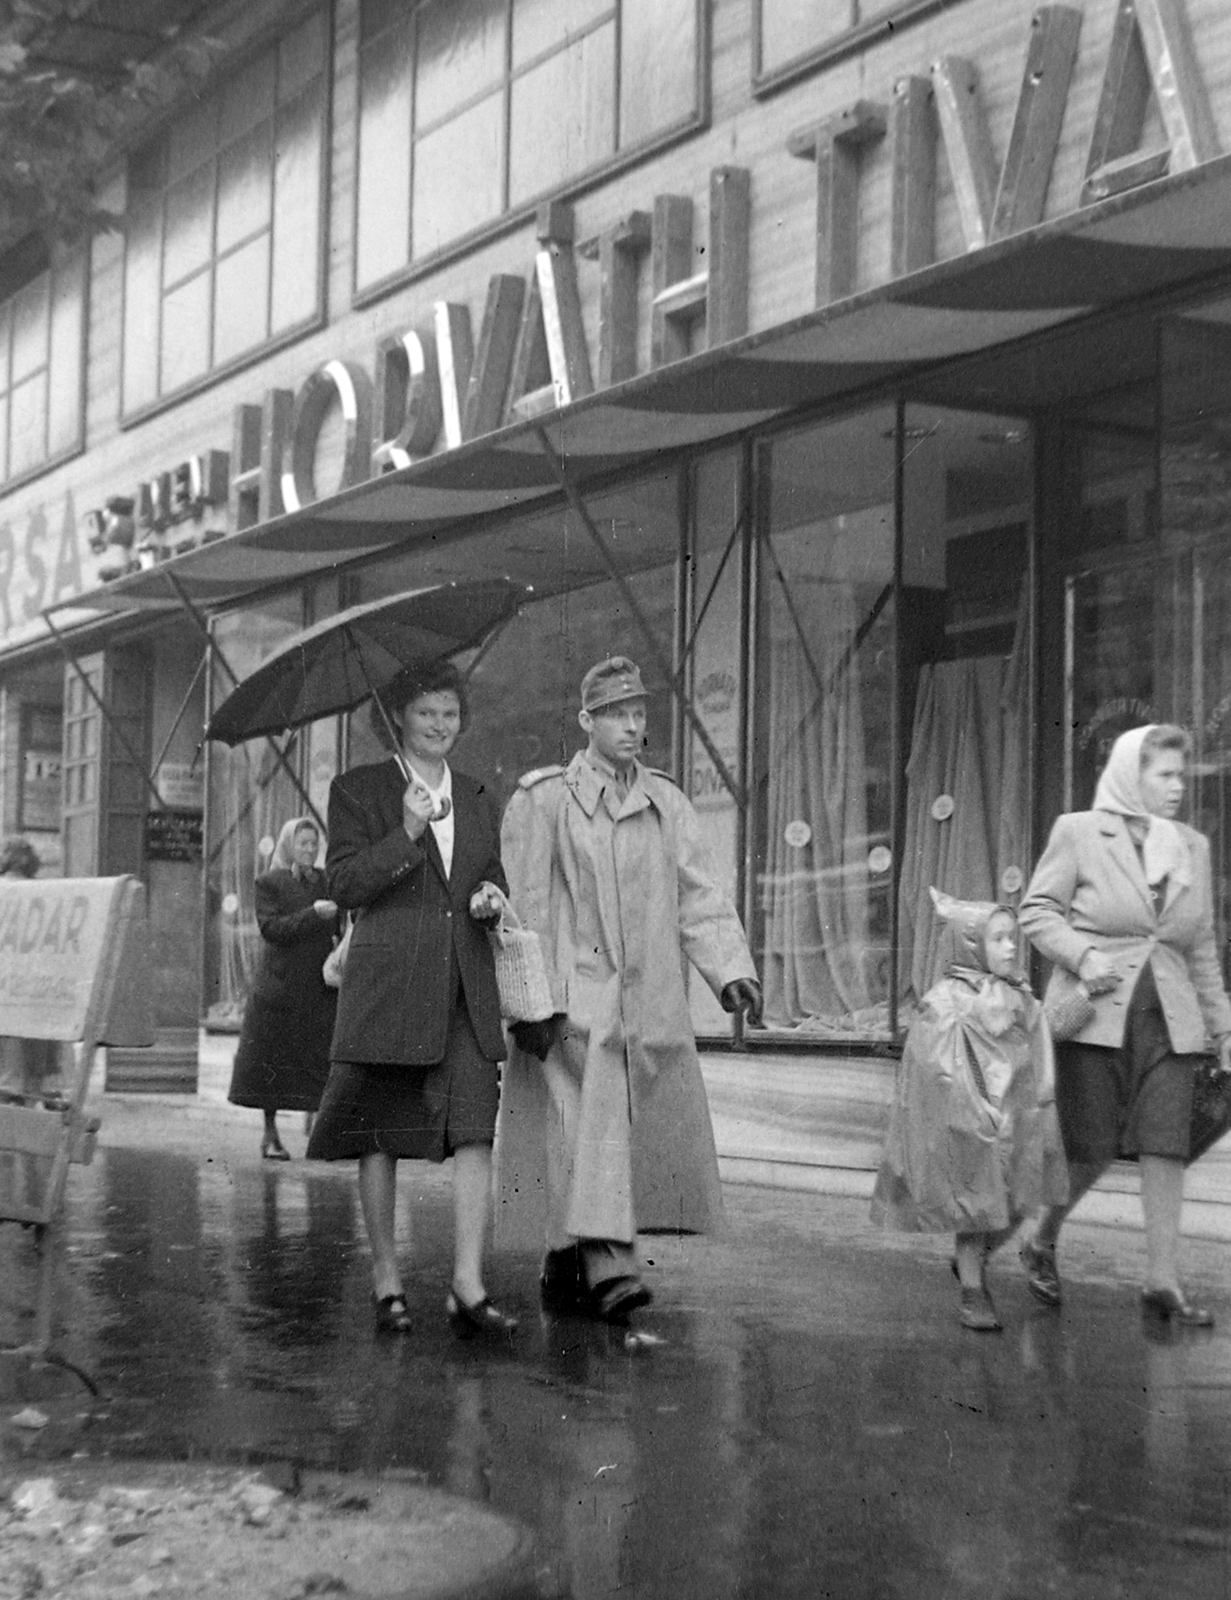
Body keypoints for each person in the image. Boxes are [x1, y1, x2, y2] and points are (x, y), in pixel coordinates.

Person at [496, 655, 763, 1323]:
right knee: (587, 1128)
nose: (631, 725)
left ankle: (564, 1257)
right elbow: (521, 903)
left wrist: (730, 970)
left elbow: (696, 894)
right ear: (586, 720)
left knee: (595, 1133)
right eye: (617, 713)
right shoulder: (545, 799)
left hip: (644, 996)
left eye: (639, 713)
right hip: (569, 999)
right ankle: (610, 1258)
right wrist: (525, 1001)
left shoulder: (665, 802)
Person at [306, 659, 515, 1339]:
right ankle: (387, 1281)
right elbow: (342, 884)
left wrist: (490, 899)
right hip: (389, 986)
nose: (440, 726)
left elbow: (490, 878)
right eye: (426, 712)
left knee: (476, 1127)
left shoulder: (481, 792)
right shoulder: (358, 790)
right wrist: (406, 834)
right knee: (380, 1134)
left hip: (463, 983)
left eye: (450, 713)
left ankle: (467, 1283)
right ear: (399, 715)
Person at [1018, 724, 1231, 1326]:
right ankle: (1042, 1237)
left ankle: (1163, 1282)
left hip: (1170, 1021)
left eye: (1181, 776)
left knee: (1167, 1147)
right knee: (1089, 1150)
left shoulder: (1192, 845)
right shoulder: (1079, 831)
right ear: (1129, 774)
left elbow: (1202, 949)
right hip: (1098, 1015)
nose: (1178, 788)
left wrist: (1226, 1030)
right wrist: (1083, 956)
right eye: (1164, 775)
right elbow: (1037, 910)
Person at [871, 891, 1068, 1332]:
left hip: (1018, 1116)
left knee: (1022, 1201)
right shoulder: (947, 1002)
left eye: (1012, 938)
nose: (1011, 947)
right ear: (971, 944)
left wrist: (1041, 1102)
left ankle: (972, 1265)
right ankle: (973, 1290)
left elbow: (1041, 1044)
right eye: (998, 939)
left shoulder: (1019, 996)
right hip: (972, 1122)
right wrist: (973, 1115)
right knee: (977, 1208)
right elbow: (935, 1065)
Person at [227, 817, 339, 1159]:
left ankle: (319, 1132)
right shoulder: (269, 882)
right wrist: (313, 915)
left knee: (320, 1058)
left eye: (314, 842)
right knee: (272, 1062)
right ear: (289, 845)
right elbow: (271, 928)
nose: (309, 849)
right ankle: (270, 1134)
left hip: (318, 986)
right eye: (303, 843)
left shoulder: (325, 881)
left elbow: (336, 922)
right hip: (280, 987)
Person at [0, 835, 59, 1106]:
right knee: (34, 1046)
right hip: (34, 981)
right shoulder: (44, 892)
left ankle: (9, 1089)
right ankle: (35, 1094)